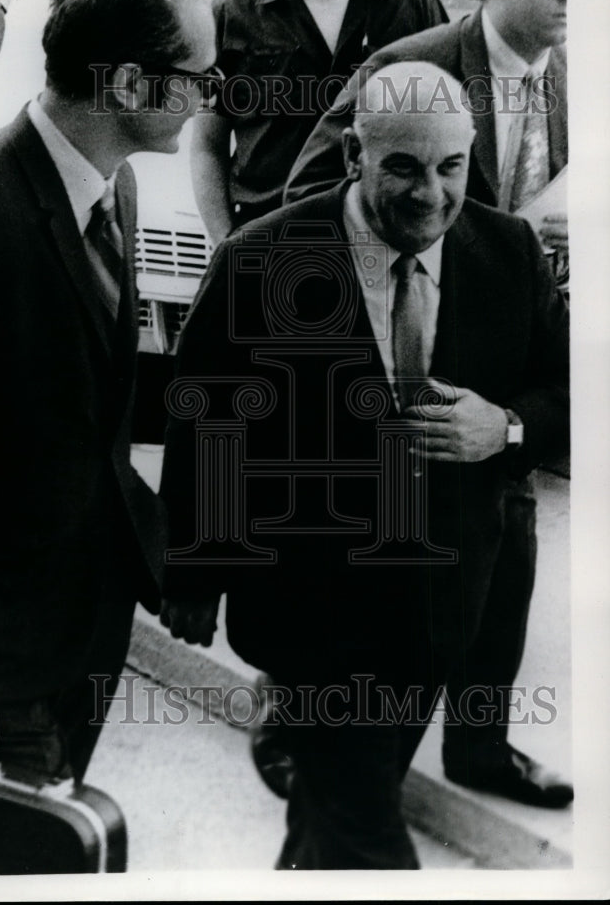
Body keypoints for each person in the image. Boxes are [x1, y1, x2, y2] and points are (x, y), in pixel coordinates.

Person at [160, 62, 570, 868]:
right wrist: (194, 574)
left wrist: (508, 427)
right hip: (311, 613)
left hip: (442, 604)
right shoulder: (258, 260)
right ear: (354, 152)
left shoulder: (507, 250)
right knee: (367, 837)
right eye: (403, 169)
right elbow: (205, 429)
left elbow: (570, 386)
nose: (430, 195)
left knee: (345, 805)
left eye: (450, 168)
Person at [283, 0, 572, 808]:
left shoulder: (568, 80)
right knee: (370, 580)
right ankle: (311, 736)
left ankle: (477, 745)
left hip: (509, 364)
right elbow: (306, 206)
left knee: (506, 554)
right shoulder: (406, 67)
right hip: (396, 363)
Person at [0, 0, 216, 789]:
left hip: (86, 625)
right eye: (197, 74)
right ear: (129, 85)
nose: (210, 95)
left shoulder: (114, 188)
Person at [191, 0, 447, 245]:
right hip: (269, 239)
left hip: (384, 242)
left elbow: (453, 130)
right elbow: (208, 144)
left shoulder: (412, 3)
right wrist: (227, 243)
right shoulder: (232, 12)